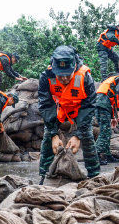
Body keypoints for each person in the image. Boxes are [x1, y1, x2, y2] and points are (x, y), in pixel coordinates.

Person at [38, 46, 100, 183]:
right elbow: (46, 105)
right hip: (59, 110)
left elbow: (89, 106)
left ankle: (94, 175)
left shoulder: (85, 77)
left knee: (87, 137)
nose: (64, 78)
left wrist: (78, 135)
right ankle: (44, 175)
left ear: (74, 68)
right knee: (48, 136)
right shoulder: (46, 77)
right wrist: (54, 134)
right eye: (60, 75)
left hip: (79, 110)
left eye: (68, 74)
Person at [95, 74, 119, 165]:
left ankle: (107, 154)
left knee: (106, 131)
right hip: (103, 105)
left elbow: (112, 101)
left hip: (101, 105)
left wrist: (113, 117)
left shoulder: (110, 84)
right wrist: (116, 114)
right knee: (105, 132)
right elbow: (116, 99)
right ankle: (95, 156)